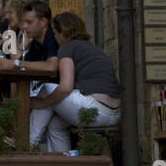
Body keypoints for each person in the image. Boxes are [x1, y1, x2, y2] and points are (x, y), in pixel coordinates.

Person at [29, 11, 121, 153]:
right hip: (115, 113)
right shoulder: (93, 48)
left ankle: (29, 142)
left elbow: (66, 87)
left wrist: (42, 102)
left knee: (47, 88)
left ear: (62, 32)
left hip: (95, 109)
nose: (54, 37)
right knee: (56, 125)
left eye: (54, 32)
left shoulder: (67, 47)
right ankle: (63, 164)